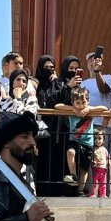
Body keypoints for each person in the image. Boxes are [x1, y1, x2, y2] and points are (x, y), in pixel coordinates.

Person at [35, 55, 77, 197]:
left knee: (64, 156)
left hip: (65, 127)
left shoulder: (64, 84)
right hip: (48, 127)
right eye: (46, 67)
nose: (49, 70)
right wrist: (67, 87)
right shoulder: (45, 84)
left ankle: (66, 189)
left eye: (52, 67)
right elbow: (49, 101)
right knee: (47, 157)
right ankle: (46, 189)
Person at [91, 129, 110, 198]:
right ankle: (94, 194)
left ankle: (103, 194)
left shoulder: (104, 149)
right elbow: (91, 158)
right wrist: (92, 162)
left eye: (100, 138)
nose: (97, 140)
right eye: (95, 138)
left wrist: (108, 165)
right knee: (95, 182)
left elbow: (107, 158)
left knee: (103, 182)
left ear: (103, 140)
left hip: (103, 169)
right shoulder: (93, 149)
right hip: (95, 169)